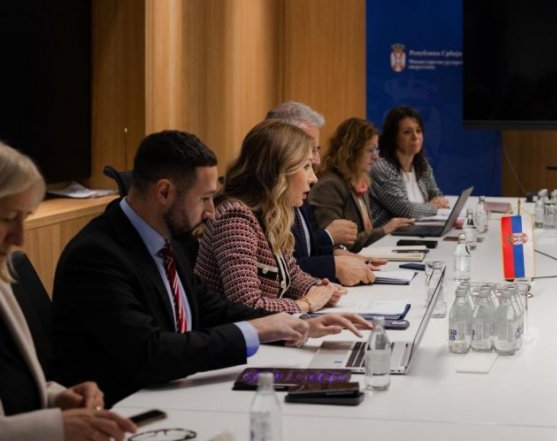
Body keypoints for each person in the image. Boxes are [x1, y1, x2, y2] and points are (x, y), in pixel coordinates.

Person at [52, 131, 369, 406]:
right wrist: (259, 329)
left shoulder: (167, 238)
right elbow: (150, 352)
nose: (211, 212)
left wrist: (291, 324)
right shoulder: (97, 256)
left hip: (175, 392)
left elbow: (212, 308)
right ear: (164, 192)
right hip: (125, 409)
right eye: (204, 198)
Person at [0, 142, 136, 441]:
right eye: (8, 218)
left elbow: (12, 390)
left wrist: (58, 398)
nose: (20, 238)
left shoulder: (2, 281)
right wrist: (56, 426)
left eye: (24, 218)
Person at [194, 121, 348, 314]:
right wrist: (306, 304)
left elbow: (290, 273)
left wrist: (319, 287)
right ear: (279, 171)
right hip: (232, 331)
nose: (314, 178)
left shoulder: (270, 212)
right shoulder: (235, 218)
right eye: (306, 166)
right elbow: (247, 304)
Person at [265, 102, 381, 285]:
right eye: (310, 151)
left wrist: (337, 255)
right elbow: (278, 271)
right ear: (281, 146)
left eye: (316, 150)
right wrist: (334, 265)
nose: (317, 161)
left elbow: (306, 248)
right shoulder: (254, 207)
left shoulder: (296, 192)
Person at [308, 118, 414, 252]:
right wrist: (384, 230)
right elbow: (336, 244)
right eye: (370, 150)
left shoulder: (360, 180)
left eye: (376, 150)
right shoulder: (329, 185)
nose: (376, 157)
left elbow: (363, 234)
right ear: (352, 151)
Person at [369, 105, 448, 227]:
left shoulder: (423, 165)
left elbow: (436, 195)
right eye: (407, 132)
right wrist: (433, 207)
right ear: (393, 137)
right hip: (389, 235)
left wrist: (438, 202)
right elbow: (405, 211)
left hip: (418, 229)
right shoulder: (382, 168)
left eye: (418, 131)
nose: (415, 137)